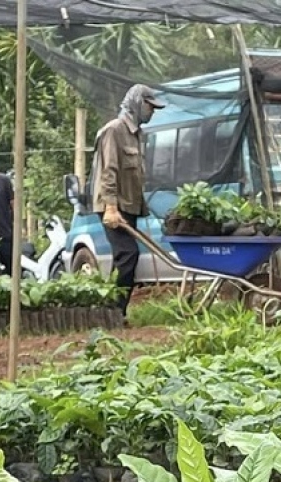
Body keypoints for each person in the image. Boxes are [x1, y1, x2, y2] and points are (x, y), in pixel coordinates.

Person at [94, 84, 166, 317]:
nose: (152, 112)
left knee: (123, 257)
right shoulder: (114, 130)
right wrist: (111, 207)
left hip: (128, 205)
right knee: (128, 254)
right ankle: (114, 310)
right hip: (113, 205)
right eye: (149, 106)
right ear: (137, 103)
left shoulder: (137, 134)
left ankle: (112, 312)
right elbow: (109, 171)